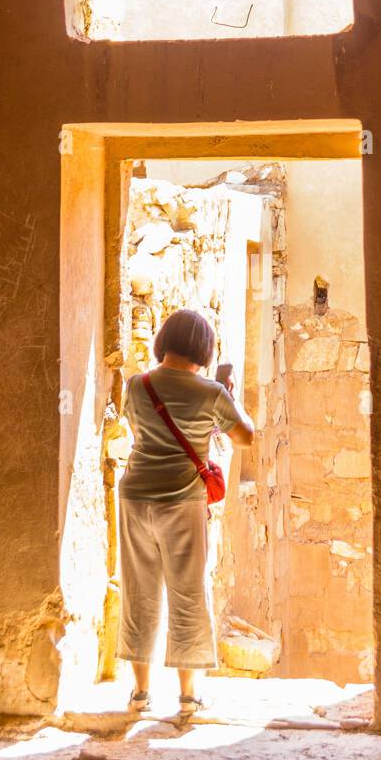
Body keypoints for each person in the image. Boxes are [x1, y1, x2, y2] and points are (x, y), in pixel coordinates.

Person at [117, 308, 254, 721]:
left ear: (163, 341)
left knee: (138, 593)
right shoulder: (211, 392)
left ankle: (139, 695)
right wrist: (232, 398)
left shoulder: (136, 386)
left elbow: (142, 430)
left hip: (135, 496)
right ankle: (188, 698)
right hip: (181, 501)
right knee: (188, 593)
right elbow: (246, 437)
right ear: (204, 349)